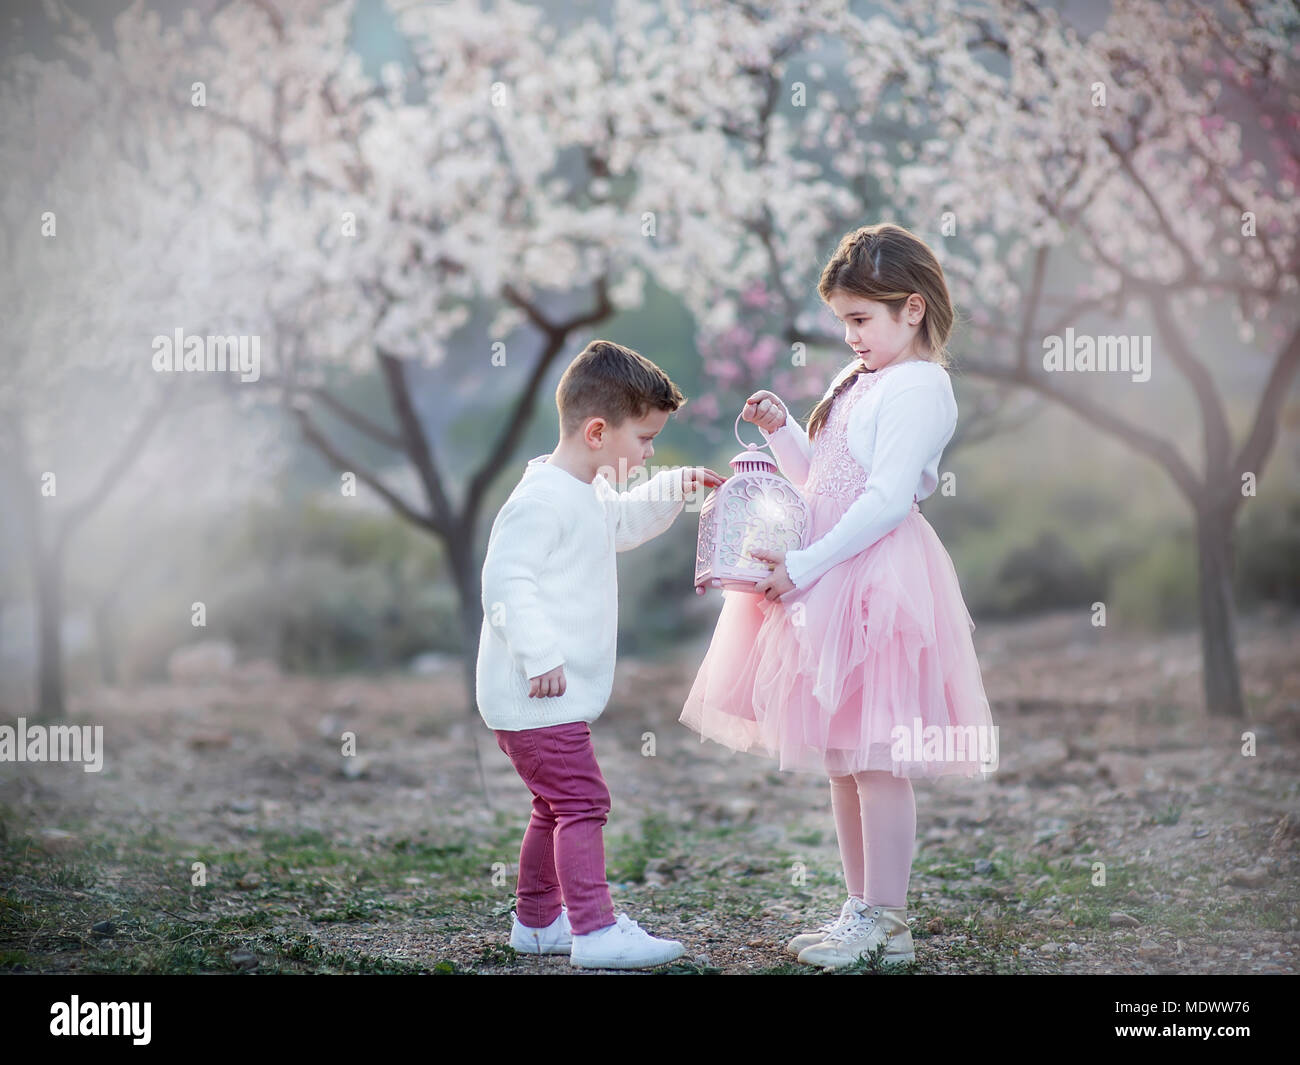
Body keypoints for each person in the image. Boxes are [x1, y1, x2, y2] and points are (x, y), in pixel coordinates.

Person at [680, 222, 996, 970]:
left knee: (879, 755)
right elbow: (820, 480)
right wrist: (784, 428)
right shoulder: (860, 380)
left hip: (874, 576)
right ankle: (860, 906)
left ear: (911, 309)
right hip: (827, 569)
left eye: (861, 319)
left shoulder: (920, 385)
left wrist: (807, 563)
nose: (849, 335)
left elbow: (886, 498)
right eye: (843, 322)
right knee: (842, 756)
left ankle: (889, 917)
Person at [477, 339, 725, 969]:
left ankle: (538, 922)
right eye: (644, 441)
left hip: (539, 702)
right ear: (596, 431)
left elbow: (616, 526)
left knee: (552, 806)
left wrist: (674, 487)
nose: (649, 452)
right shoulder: (540, 500)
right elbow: (506, 583)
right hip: (536, 694)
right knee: (583, 803)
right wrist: (539, 656)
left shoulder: (583, 489)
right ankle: (595, 931)